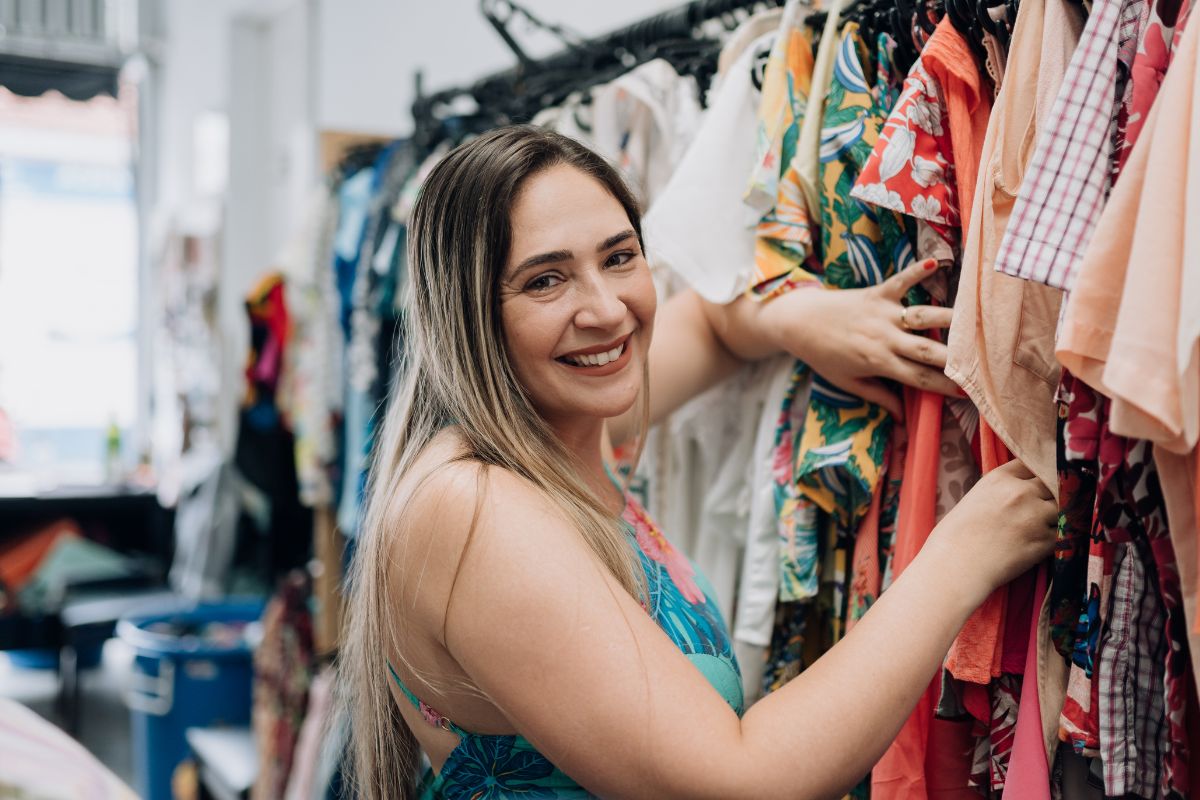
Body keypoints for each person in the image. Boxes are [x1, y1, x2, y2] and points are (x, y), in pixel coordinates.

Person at [340, 125, 1057, 800]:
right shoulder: (471, 508)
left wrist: (798, 319)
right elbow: (738, 780)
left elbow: (710, 323)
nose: (608, 310)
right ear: (467, 314)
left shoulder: (565, 426)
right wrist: (960, 555)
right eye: (545, 281)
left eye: (619, 258)